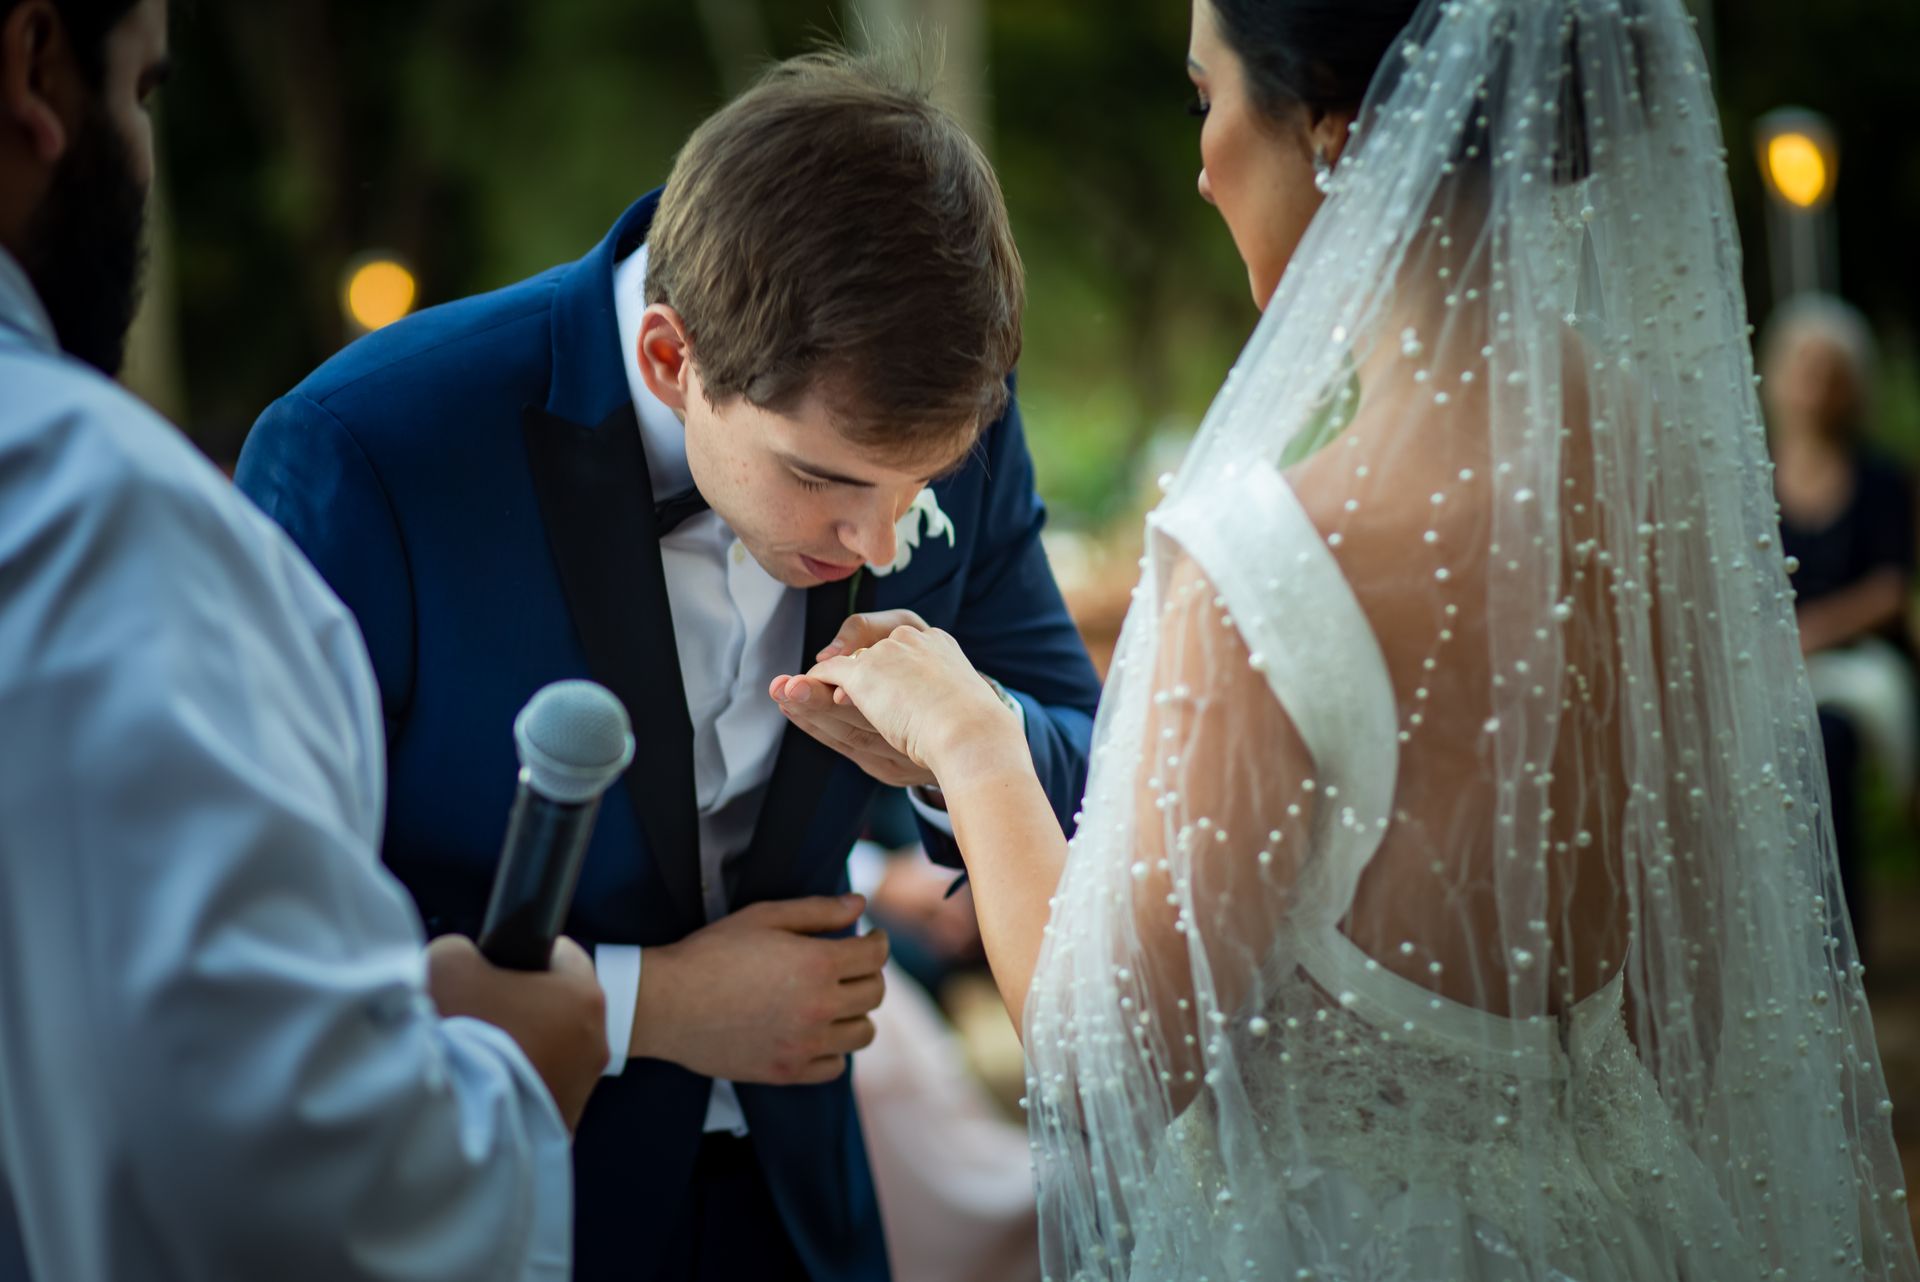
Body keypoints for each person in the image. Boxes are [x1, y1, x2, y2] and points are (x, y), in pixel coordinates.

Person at [791, 0, 1920, 1278]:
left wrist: (970, 736)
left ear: (1334, 126)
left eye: (1205, 99)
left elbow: (1097, 1057)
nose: (1202, 164)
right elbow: (1701, 1000)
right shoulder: (1662, 477)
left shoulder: (1269, 561)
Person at [234, 49, 1101, 1282]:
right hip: (497, 1207)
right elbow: (259, 906)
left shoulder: (950, 408)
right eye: (824, 479)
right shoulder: (369, 454)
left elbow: (1082, 751)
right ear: (665, 357)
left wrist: (958, 747)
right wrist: (650, 1005)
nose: (879, 539)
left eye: (917, 488)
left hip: (810, 1217)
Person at [0, 2, 609, 1280]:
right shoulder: (93, 519)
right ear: (33, 69)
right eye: (145, 92)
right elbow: (299, 1191)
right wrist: (508, 1072)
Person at [1765, 294, 1917, 961]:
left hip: (1856, 667)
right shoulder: (1754, 476)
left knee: (1826, 740)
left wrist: (1816, 630)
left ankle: (1839, 939)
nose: (1815, 385)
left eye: (1830, 371)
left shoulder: (1878, 478)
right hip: (1774, 662)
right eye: (1804, 367)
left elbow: (1891, 589)